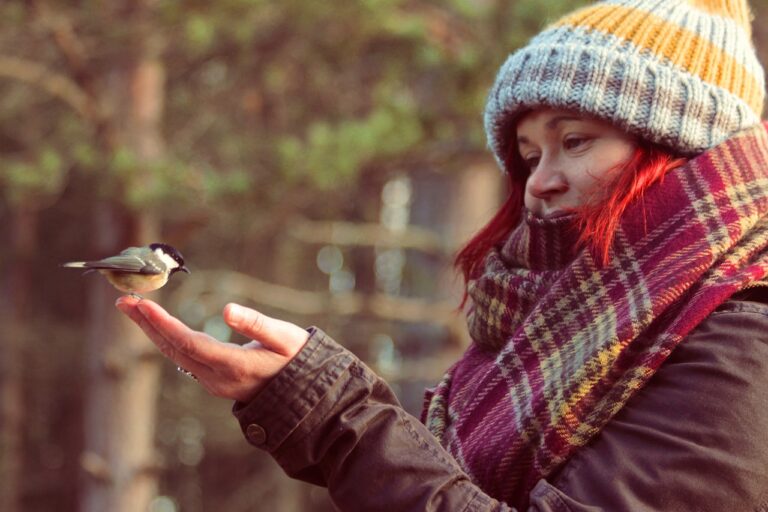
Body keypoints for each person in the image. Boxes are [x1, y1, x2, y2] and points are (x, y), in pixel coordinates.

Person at [117, 0, 768, 509]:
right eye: (530, 154)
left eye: (575, 140)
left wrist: (336, 420)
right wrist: (302, 398)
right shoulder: (553, 318)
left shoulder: (744, 334)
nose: (539, 179)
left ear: (678, 147)